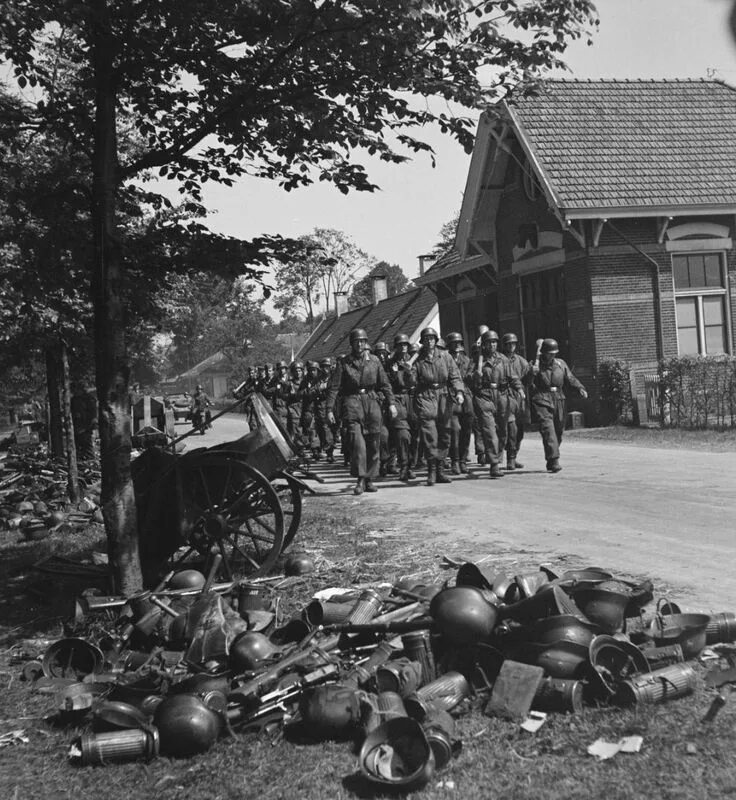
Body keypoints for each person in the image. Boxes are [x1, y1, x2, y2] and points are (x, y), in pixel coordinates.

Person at [326, 328, 397, 495]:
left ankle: (370, 478)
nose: (360, 344)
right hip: (352, 402)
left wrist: (391, 403)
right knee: (358, 444)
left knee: (374, 441)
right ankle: (360, 478)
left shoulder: (374, 361)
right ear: (351, 344)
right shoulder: (344, 363)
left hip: (372, 402)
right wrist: (329, 409)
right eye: (357, 342)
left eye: (363, 341)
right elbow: (334, 388)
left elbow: (385, 384)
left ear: (366, 343)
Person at [410, 327, 465, 486]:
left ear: (436, 340)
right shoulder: (417, 360)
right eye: (426, 339)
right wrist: (408, 372)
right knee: (430, 436)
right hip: (425, 396)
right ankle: (432, 470)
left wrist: (459, 392)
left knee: (445, 434)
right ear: (422, 342)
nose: (429, 341)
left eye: (432, 338)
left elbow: (455, 376)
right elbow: (411, 381)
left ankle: (440, 469)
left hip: (443, 396)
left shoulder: (446, 357)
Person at [528, 338, 588, 473]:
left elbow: (570, 378)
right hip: (542, 398)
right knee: (548, 429)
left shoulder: (560, 364)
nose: (552, 355)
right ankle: (554, 459)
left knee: (558, 431)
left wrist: (580, 388)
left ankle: (551, 456)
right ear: (543, 353)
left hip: (559, 398)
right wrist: (532, 372)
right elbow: (527, 382)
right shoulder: (535, 365)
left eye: (554, 353)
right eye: (549, 353)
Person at [470, 329, 522, 479]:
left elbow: (513, 376)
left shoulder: (503, 359)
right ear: (484, 345)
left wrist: (519, 389)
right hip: (484, 396)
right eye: (489, 342)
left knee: (502, 431)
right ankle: (494, 464)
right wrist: (474, 375)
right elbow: (465, 377)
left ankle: (497, 456)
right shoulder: (476, 360)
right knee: (489, 430)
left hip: (502, 396)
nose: (492, 345)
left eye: (494, 342)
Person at [387, 333, 415, 482]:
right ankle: (404, 467)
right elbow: (386, 385)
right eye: (400, 345)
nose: (403, 348)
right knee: (402, 435)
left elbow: (414, 382)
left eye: (405, 345)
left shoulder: (413, 361)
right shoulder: (389, 364)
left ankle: (410, 465)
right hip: (397, 398)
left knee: (414, 436)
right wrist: (394, 372)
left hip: (413, 399)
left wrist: (409, 371)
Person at [502, 332, 531, 470]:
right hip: (505, 397)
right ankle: (510, 458)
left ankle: (514, 454)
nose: (511, 346)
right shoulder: (501, 359)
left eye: (513, 344)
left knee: (520, 430)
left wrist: (532, 372)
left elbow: (527, 381)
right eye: (508, 344)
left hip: (519, 398)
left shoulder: (521, 361)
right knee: (510, 429)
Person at [446, 332, 473, 475]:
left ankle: (462, 460)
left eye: (459, 343)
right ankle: (454, 461)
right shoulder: (445, 359)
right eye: (454, 343)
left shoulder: (467, 360)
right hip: (451, 397)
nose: (457, 346)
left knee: (466, 431)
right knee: (454, 430)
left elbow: (470, 377)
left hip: (466, 399)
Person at [71, 382, 98, 459]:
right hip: (77, 427)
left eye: (75, 389)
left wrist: (91, 424)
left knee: (87, 446)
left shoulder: (89, 399)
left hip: (86, 427)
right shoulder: (74, 400)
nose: (74, 392)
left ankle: (90, 461)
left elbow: (93, 413)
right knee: (78, 447)